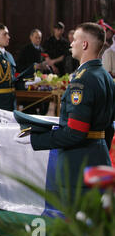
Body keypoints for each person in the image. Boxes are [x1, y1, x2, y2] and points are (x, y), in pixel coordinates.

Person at [24, 23, 115, 201]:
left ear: (85, 45)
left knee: (77, 224)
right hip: (100, 158)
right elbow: (109, 126)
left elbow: (75, 132)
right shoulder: (106, 76)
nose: (70, 44)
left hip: (79, 165)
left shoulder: (82, 81)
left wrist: (34, 139)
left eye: (74, 40)